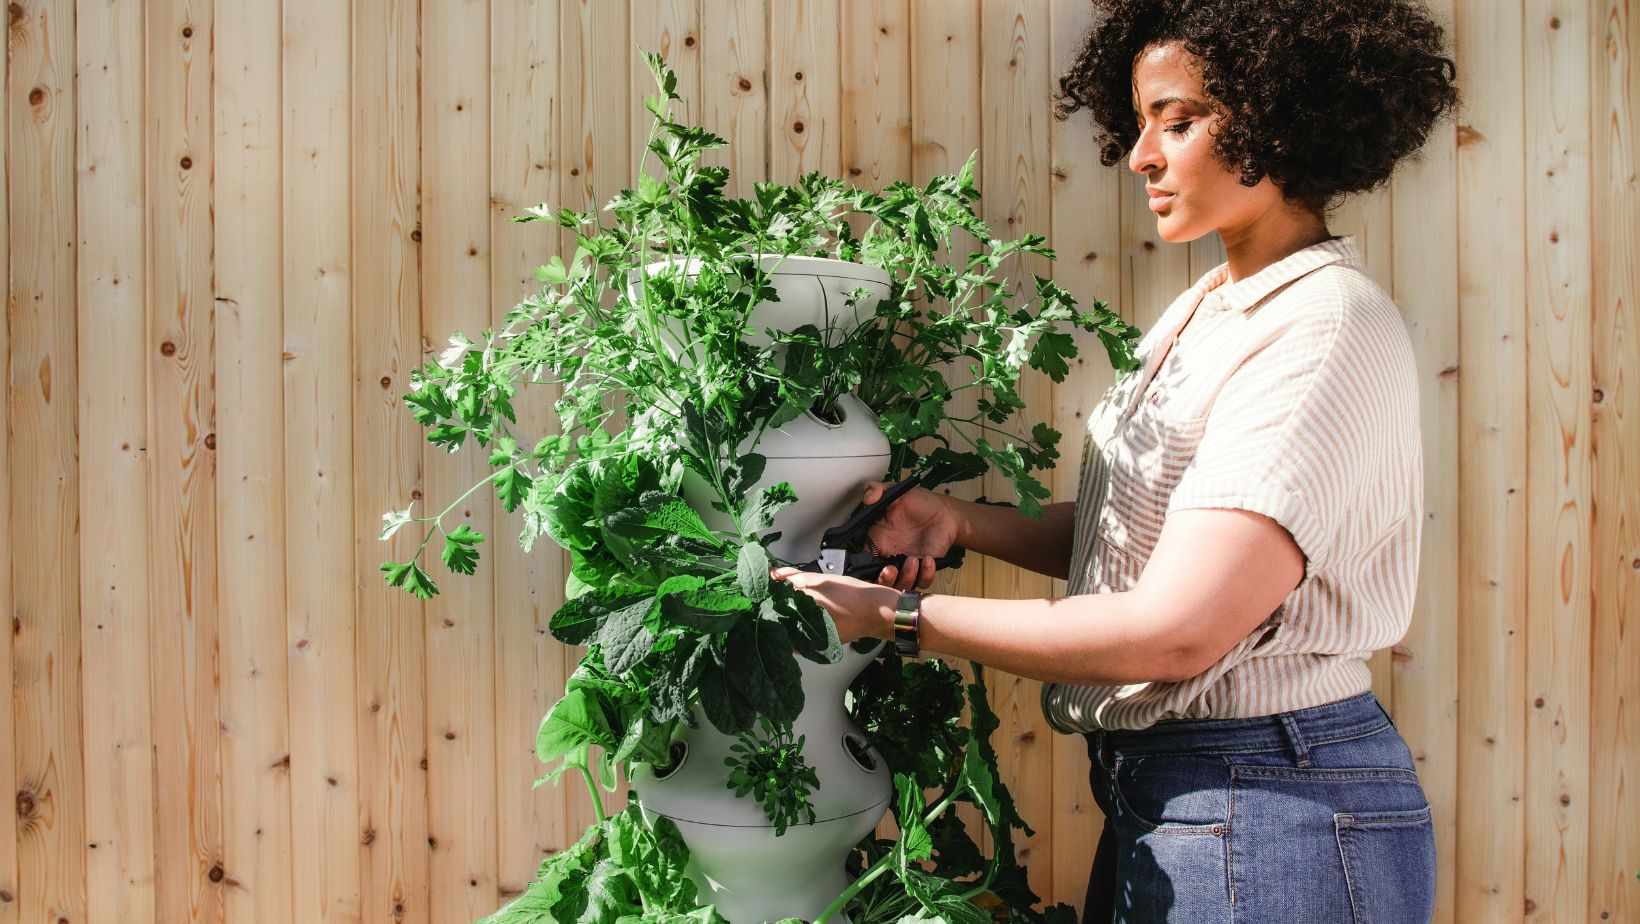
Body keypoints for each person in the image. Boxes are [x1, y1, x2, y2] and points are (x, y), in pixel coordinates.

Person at [771, 0, 1460, 920]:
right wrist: (965, 522)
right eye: (1140, 124)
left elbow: (1179, 628)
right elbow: (1151, 545)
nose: (1140, 156)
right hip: (1185, 797)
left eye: (1177, 123)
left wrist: (900, 618)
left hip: (1268, 804)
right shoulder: (1210, 310)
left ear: (1276, 116)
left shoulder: (1321, 328)